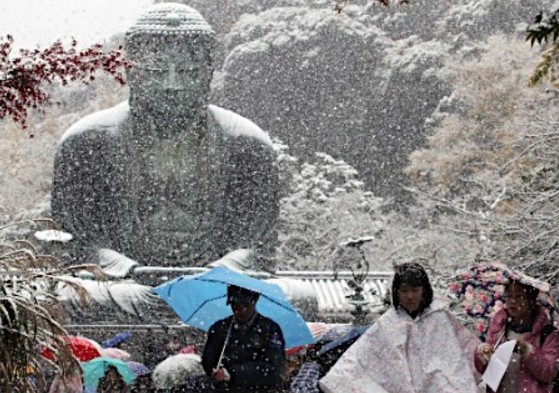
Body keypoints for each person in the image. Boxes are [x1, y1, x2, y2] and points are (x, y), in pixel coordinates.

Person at [51, 3, 279, 268]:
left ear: (208, 74)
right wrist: (129, 270)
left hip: (217, 285)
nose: (172, 85)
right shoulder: (87, 141)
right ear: (131, 72)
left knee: (298, 296)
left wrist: (214, 275)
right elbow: (75, 243)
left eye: (186, 71)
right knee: (79, 299)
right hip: (122, 285)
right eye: (158, 71)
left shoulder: (246, 143)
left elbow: (257, 248)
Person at [319, 262, 481, 393]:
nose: (410, 296)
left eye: (415, 290)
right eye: (404, 291)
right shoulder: (387, 324)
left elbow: (460, 356)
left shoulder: (441, 319)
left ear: (424, 291)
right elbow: (360, 359)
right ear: (396, 293)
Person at [474, 280, 559, 392]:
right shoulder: (499, 329)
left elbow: (549, 372)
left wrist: (528, 351)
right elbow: (485, 370)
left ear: (532, 301)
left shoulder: (547, 334)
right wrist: (482, 355)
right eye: (509, 296)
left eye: (519, 296)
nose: (512, 301)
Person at [201, 285, 286, 392]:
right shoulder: (220, 328)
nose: (240, 310)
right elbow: (208, 360)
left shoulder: (270, 329)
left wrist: (232, 373)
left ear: (254, 302)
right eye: (234, 305)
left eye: (245, 305)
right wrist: (216, 372)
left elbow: (273, 368)